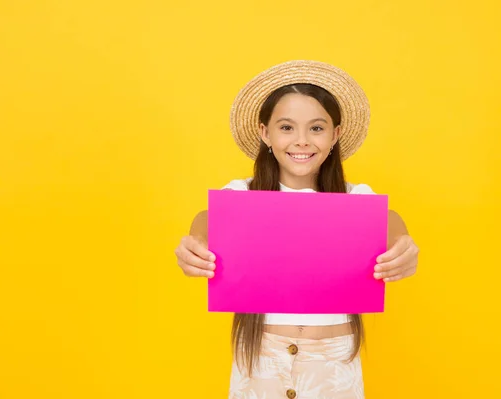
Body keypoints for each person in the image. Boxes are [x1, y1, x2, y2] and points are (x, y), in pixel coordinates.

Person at [174, 60, 420, 399]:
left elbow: (387, 219)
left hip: (334, 365)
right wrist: (196, 241)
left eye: (317, 128)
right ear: (265, 134)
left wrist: (402, 243)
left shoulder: (354, 197)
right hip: (260, 362)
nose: (302, 141)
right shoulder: (244, 194)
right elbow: (208, 217)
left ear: (335, 135)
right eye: (287, 127)